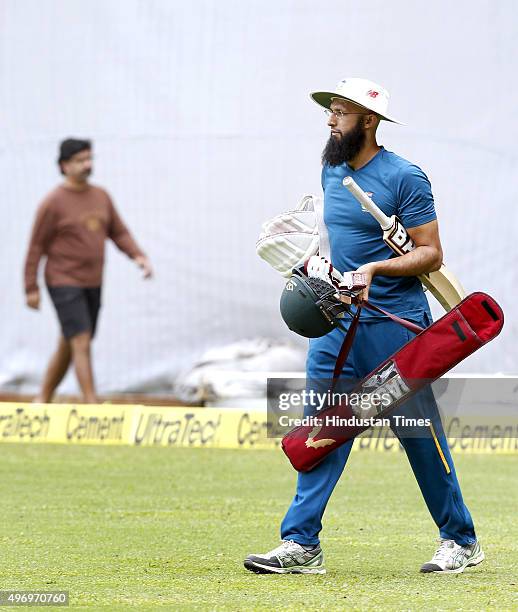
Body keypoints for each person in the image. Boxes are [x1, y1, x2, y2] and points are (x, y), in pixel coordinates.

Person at [244, 78, 483, 575]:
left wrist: (374, 270)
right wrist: (317, 263)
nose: (330, 121)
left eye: (340, 113)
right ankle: (301, 542)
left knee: (417, 432)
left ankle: (460, 539)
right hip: (337, 321)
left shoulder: (405, 178)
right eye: (330, 112)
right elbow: (342, 244)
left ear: (368, 122)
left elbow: (430, 253)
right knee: (323, 428)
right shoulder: (332, 168)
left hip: (396, 327)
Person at [24, 138, 153, 404]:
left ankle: (42, 398)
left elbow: (118, 231)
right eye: (80, 160)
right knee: (80, 339)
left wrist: (138, 256)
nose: (87, 165)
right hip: (62, 280)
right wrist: (31, 287)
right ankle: (91, 403)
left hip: (92, 281)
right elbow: (36, 246)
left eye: (89, 159)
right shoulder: (53, 202)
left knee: (71, 340)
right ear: (64, 166)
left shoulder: (101, 196)